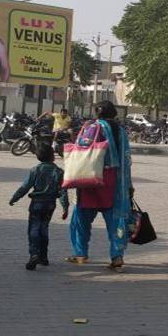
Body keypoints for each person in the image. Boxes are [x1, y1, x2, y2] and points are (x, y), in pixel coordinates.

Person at [65, 101, 134, 271]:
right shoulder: (121, 131)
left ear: (97, 112)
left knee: (81, 218)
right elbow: (126, 159)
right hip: (114, 183)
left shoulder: (92, 127)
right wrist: (128, 185)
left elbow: (82, 153)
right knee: (116, 221)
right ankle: (117, 256)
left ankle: (80, 253)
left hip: (91, 180)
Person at [10, 144, 69, 270]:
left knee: (34, 229)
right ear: (53, 156)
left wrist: (15, 198)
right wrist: (65, 207)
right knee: (44, 228)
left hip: (36, 203)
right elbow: (63, 191)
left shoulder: (35, 170)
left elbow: (25, 187)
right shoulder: (58, 172)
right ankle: (43, 256)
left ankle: (34, 254)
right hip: (50, 205)